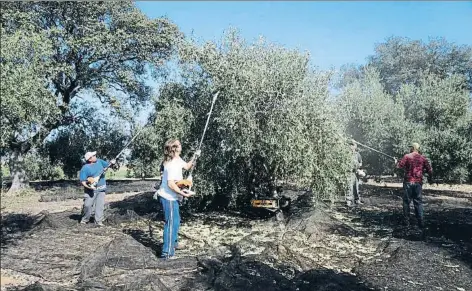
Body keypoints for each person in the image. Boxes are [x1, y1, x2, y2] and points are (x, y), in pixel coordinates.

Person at [156, 139, 200, 260]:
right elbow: (171, 184)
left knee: (176, 220)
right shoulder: (171, 164)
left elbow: (186, 166)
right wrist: (183, 193)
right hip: (168, 197)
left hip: (173, 197)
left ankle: (173, 244)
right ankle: (167, 253)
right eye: (179, 144)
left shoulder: (178, 160)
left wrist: (194, 157)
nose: (181, 145)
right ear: (174, 148)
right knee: (170, 223)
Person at [395, 142, 433, 229]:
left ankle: (406, 222)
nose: (409, 149)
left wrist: (396, 162)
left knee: (406, 202)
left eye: (410, 147)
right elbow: (429, 170)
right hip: (418, 183)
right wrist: (430, 178)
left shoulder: (407, 156)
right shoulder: (422, 158)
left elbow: (399, 166)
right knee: (418, 202)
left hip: (408, 182)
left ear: (413, 148)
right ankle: (421, 222)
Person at [79, 151, 116, 226]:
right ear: (89, 159)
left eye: (95, 155)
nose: (95, 156)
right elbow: (83, 181)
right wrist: (90, 187)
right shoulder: (85, 168)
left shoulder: (100, 161)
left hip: (101, 189)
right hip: (90, 191)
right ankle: (85, 219)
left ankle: (99, 221)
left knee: (100, 206)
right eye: (93, 155)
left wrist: (112, 163)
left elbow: (109, 165)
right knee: (87, 205)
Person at [346, 140, 363, 207]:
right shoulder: (347, 154)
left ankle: (357, 200)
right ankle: (348, 201)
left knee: (356, 187)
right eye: (350, 145)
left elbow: (361, 163)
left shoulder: (357, 154)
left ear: (355, 146)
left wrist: (357, 166)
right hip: (349, 173)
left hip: (356, 173)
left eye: (352, 145)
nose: (351, 146)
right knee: (349, 186)